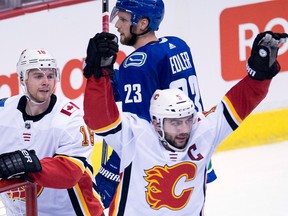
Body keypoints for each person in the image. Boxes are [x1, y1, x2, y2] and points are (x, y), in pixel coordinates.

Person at [83, 31, 287, 215]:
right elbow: (99, 119)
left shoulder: (201, 131)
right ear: (156, 123)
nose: (184, 129)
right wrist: (97, 75)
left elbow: (239, 103)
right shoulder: (136, 135)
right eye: (174, 123)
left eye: (187, 120)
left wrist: (260, 75)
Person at [83, 0, 216, 208]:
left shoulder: (136, 64)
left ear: (142, 24)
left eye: (124, 20)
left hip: (160, 160)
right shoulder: (177, 45)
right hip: (194, 149)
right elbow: (149, 86)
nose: (118, 25)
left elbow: (137, 131)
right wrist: (107, 73)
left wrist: (99, 71)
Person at [0, 49, 104, 216]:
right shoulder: (3, 111)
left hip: (72, 212)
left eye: (50, 75)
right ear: (22, 78)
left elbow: (70, 172)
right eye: (38, 76)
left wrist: (27, 164)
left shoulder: (72, 118)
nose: (46, 82)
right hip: (21, 211)